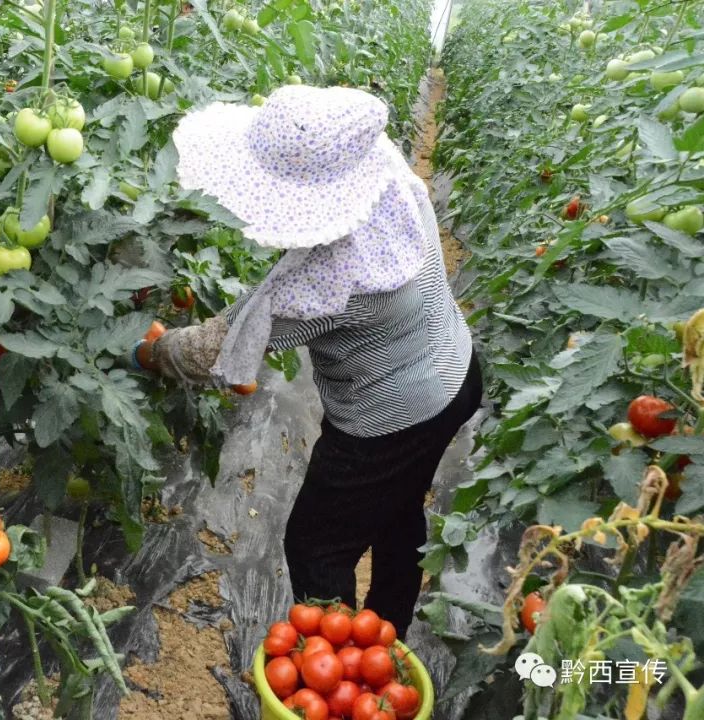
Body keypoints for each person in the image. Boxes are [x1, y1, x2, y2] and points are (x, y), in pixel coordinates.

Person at [132, 84, 483, 637]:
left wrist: (149, 351)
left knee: (317, 544)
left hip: (390, 418)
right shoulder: (379, 164)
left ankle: (342, 666)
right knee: (397, 506)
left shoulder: (319, 282)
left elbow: (216, 349)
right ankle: (387, 626)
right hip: (455, 371)